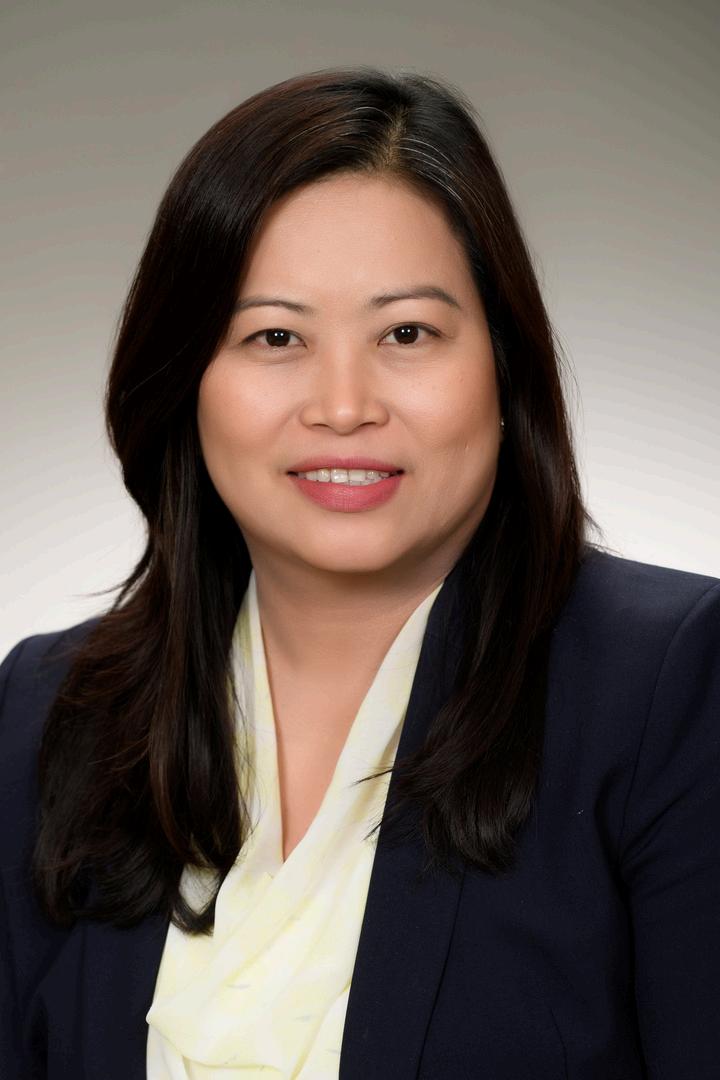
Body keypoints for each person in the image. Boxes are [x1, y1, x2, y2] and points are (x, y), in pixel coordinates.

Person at [1, 66, 718, 1080]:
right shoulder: (52, 712)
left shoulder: (670, 690)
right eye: (275, 336)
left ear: (504, 364)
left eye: (407, 334)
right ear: (185, 379)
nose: (344, 406)